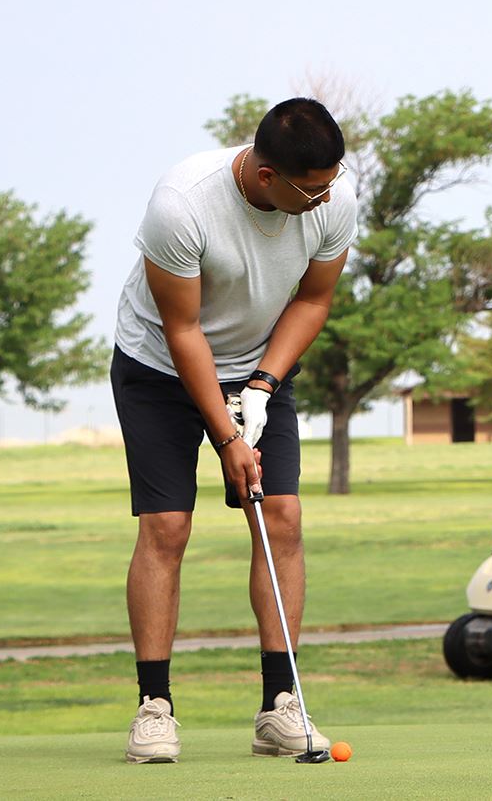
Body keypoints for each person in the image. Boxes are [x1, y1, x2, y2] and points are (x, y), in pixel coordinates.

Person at [112, 98, 355, 764]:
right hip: (159, 367)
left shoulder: (331, 198)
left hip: (256, 368)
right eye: (314, 189)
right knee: (167, 526)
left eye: (333, 183)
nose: (327, 199)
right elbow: (183, 330)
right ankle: (154, 709)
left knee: (281, 516)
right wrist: (227, 439)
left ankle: (280, 708)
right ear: (268, 175)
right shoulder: (182, 206)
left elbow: (313, 300)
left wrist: (262, 388)